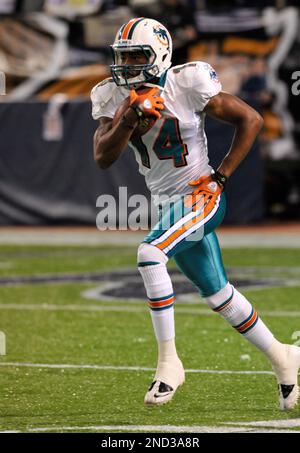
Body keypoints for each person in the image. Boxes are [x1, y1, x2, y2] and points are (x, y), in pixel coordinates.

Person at [91, 17, 300, 408]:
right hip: (167, 203)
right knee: (219, 295)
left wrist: (220, 177)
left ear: (160, 55)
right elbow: (103, 156)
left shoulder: (184, 83)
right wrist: (129, 121)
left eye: (138, 56)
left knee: (150, 255)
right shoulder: (110, 96)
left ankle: (169, 363)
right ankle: (283, 356)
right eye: (124, 57)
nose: (129, 65)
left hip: (200, 195)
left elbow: (250, 119)